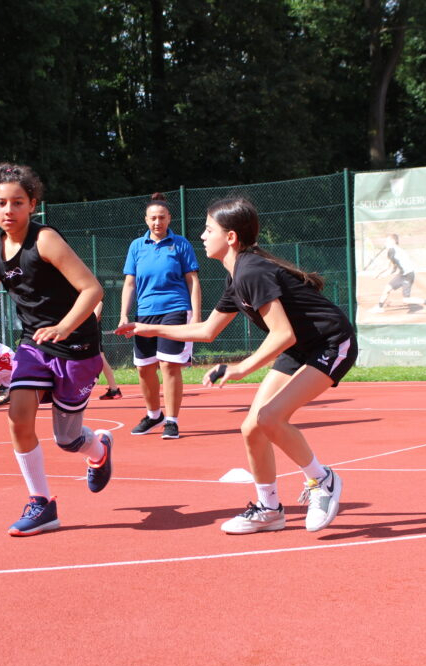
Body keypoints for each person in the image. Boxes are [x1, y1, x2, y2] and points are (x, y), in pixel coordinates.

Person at [116, 197, 357, 535]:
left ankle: (322, 480)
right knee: (252, 428)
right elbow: (207, 331)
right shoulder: (236, 276)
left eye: (208, 229)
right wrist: (148, 328)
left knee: (270, 417)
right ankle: (269, 509)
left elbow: (282, 333)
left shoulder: (251, 271)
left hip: (330, 344)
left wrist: (241, 368)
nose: (202, 236)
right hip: (300, 347)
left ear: (230, 237)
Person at [0, 162, 113, 537]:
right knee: (17, 416)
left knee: (67, 439)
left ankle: (98, 450)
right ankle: (41, 503)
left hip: (77, 345)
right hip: (34, 344)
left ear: (32, 204)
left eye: (18, 202)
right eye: (1, 203)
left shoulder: (44, 240)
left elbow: (92, 289)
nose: (9, 210)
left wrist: (64, 327)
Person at [119, 192, 201, 439]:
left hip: (175, 309)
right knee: (144, 368)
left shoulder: (181, 244)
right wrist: (124, 315)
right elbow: (129, 283)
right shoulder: (136, 246)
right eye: (153, 218)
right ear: (146, 220)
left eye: (162, 217)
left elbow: (193, 281)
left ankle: (172, 421)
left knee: (168, 364)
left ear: (169, 218)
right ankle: (154, 415)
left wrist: (196, 317)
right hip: (144, 314)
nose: (157, 222)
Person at [371, 234, 426, 315]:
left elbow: (387, 267)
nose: (385, 243)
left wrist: (377, 274)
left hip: (408, 276)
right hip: (402, 274)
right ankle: (380, 307)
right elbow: (393, 269)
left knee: (406, 300)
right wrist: (382, 275)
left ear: (393, 241)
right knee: (387, 289)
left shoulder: (391, 250)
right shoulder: (395, 250)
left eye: (387, 241)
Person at [94, 300, 122, 399]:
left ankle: (114, 389)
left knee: (100, 357)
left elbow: (98, 305)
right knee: (100, 358)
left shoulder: (95, 298)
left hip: (91, 331)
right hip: (86, 330)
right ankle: (114, 389)